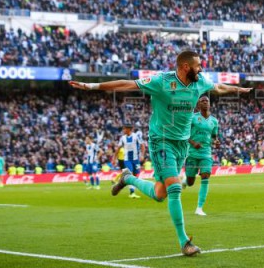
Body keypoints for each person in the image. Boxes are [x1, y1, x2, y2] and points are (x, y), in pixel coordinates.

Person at [69, 49, 252, 256]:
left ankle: (128, 178)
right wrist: (92, 85)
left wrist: (239, 90)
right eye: (198, 65)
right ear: (185, 67)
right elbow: (126, 84)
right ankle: (185, 243)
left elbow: (218, 87)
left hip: (182, 144)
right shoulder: (161, 81)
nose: (200, 69)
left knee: (159, 194)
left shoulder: (199, 82)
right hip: (161, 141)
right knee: (174, 188)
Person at [182, 96, 219, 216]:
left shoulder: (214, 121)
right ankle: (185, 181)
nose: (205, 102)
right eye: (202, 101)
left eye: (207, 101)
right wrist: (193, 143)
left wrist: (216, 142)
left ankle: (199, 208)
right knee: (191, 182)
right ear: (198, 105)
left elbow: (214, 137)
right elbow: (184, 134)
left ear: (209, 104)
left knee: (205, 176)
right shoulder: (193, 118)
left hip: (206, 154)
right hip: (192, 153)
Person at [113, 124, 146, 199]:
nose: (123, 130)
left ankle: (132, 190)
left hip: (136, 159)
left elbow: (142, 145)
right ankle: (132, 192)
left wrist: (142, 155)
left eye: (124, 129)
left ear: (129, 129)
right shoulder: (122, 138)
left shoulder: (136, 136)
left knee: (136, 175)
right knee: (130, 174)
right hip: (127, 159)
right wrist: (114, 158)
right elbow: (118, 148)